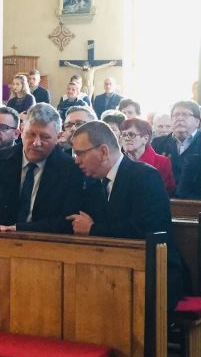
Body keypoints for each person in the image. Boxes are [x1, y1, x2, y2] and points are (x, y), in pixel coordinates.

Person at [68, 121, 185, 307]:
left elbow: (148, 230)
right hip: (113, 269)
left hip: (154, 272)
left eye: (80, 153)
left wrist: (93, 229)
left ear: (104, 152)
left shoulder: (145, 177)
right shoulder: (93, 183)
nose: (76, 160)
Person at [0, 103, 82, 231]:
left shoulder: (69, 169)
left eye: (45, 137)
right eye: (31, 134)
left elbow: (66, 220)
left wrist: (17, 229)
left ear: (58, 137)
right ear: (21, 131)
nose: (36, 143)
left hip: (45, 240)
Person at [154, 100, 201, 188]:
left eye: (185, 114)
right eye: (176, 115)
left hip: (197, 195)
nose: (179, 118)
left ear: (197, 121)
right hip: (165, 194)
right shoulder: (158, 143)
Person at [120, 117, 175, 195]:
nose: (126, 138)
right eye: (123, 135)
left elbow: (160, 193)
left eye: (131, 135)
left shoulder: (162, 162)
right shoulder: (117, 162)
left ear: (145, 138)